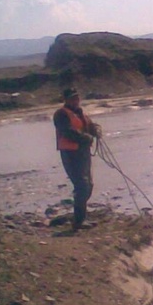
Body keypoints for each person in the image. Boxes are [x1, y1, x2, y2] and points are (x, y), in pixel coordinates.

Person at [53, 87, 101, 231]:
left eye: (77, 97)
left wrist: (97, 130)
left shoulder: (80, 113)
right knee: (82, 186)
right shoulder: (60, 114)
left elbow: (91, 125)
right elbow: (68, 131)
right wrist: (86, 138)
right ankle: (78, 221)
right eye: (72, 98)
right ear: (66, 99)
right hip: (70, 154)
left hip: (83, 153)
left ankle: (79, 215)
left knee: (88, 185)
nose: (75, 100)